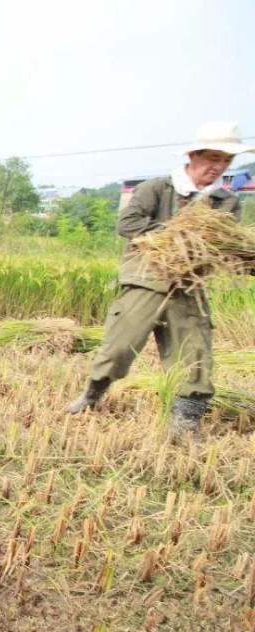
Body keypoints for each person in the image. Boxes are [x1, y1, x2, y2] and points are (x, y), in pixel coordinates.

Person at [66, 122, 253, 437]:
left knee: (194, 356)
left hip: (188, 289)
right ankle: (91, 396)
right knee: (118, 347)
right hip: (145, 282)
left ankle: (184, 427)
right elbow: (128, 223)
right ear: (192, 156)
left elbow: (226, 247)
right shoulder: (156, 188)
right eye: (212, 158)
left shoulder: (226, 203)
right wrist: (176, 236)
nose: (218, 167)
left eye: (225, 161)